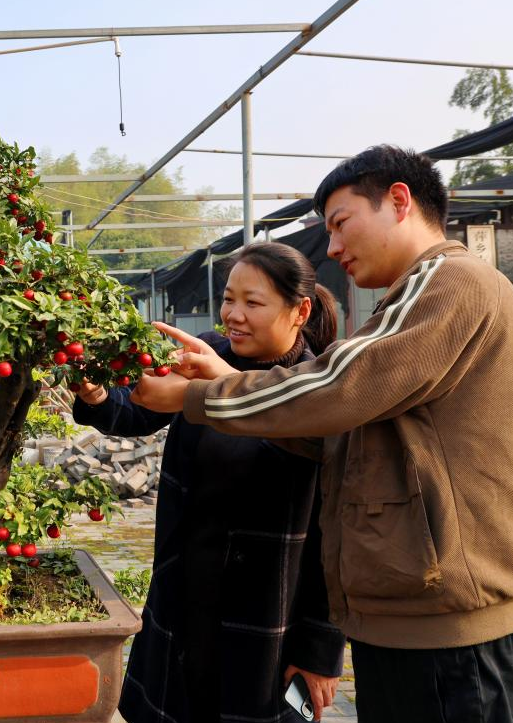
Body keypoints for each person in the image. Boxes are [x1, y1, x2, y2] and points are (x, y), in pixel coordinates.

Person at [134, 145, 513, 723]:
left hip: (455, 643)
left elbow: (343, 385)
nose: (331, 248)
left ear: (399, 201)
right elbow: (345, 438)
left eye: (340, 223)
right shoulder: (416, 295)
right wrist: (225, 382)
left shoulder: (451, 282)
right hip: (419, 630)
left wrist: (200, 396)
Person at [75, 242, 344, 722]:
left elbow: (335, 538)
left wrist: (321, 649)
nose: (233, 315)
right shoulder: (208, 355)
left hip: (266, 614)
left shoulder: (318, 389)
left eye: (253, 302)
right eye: (228, 298)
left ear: (300, 310)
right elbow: (137, 409)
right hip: (185, 595)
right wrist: (99, 394)